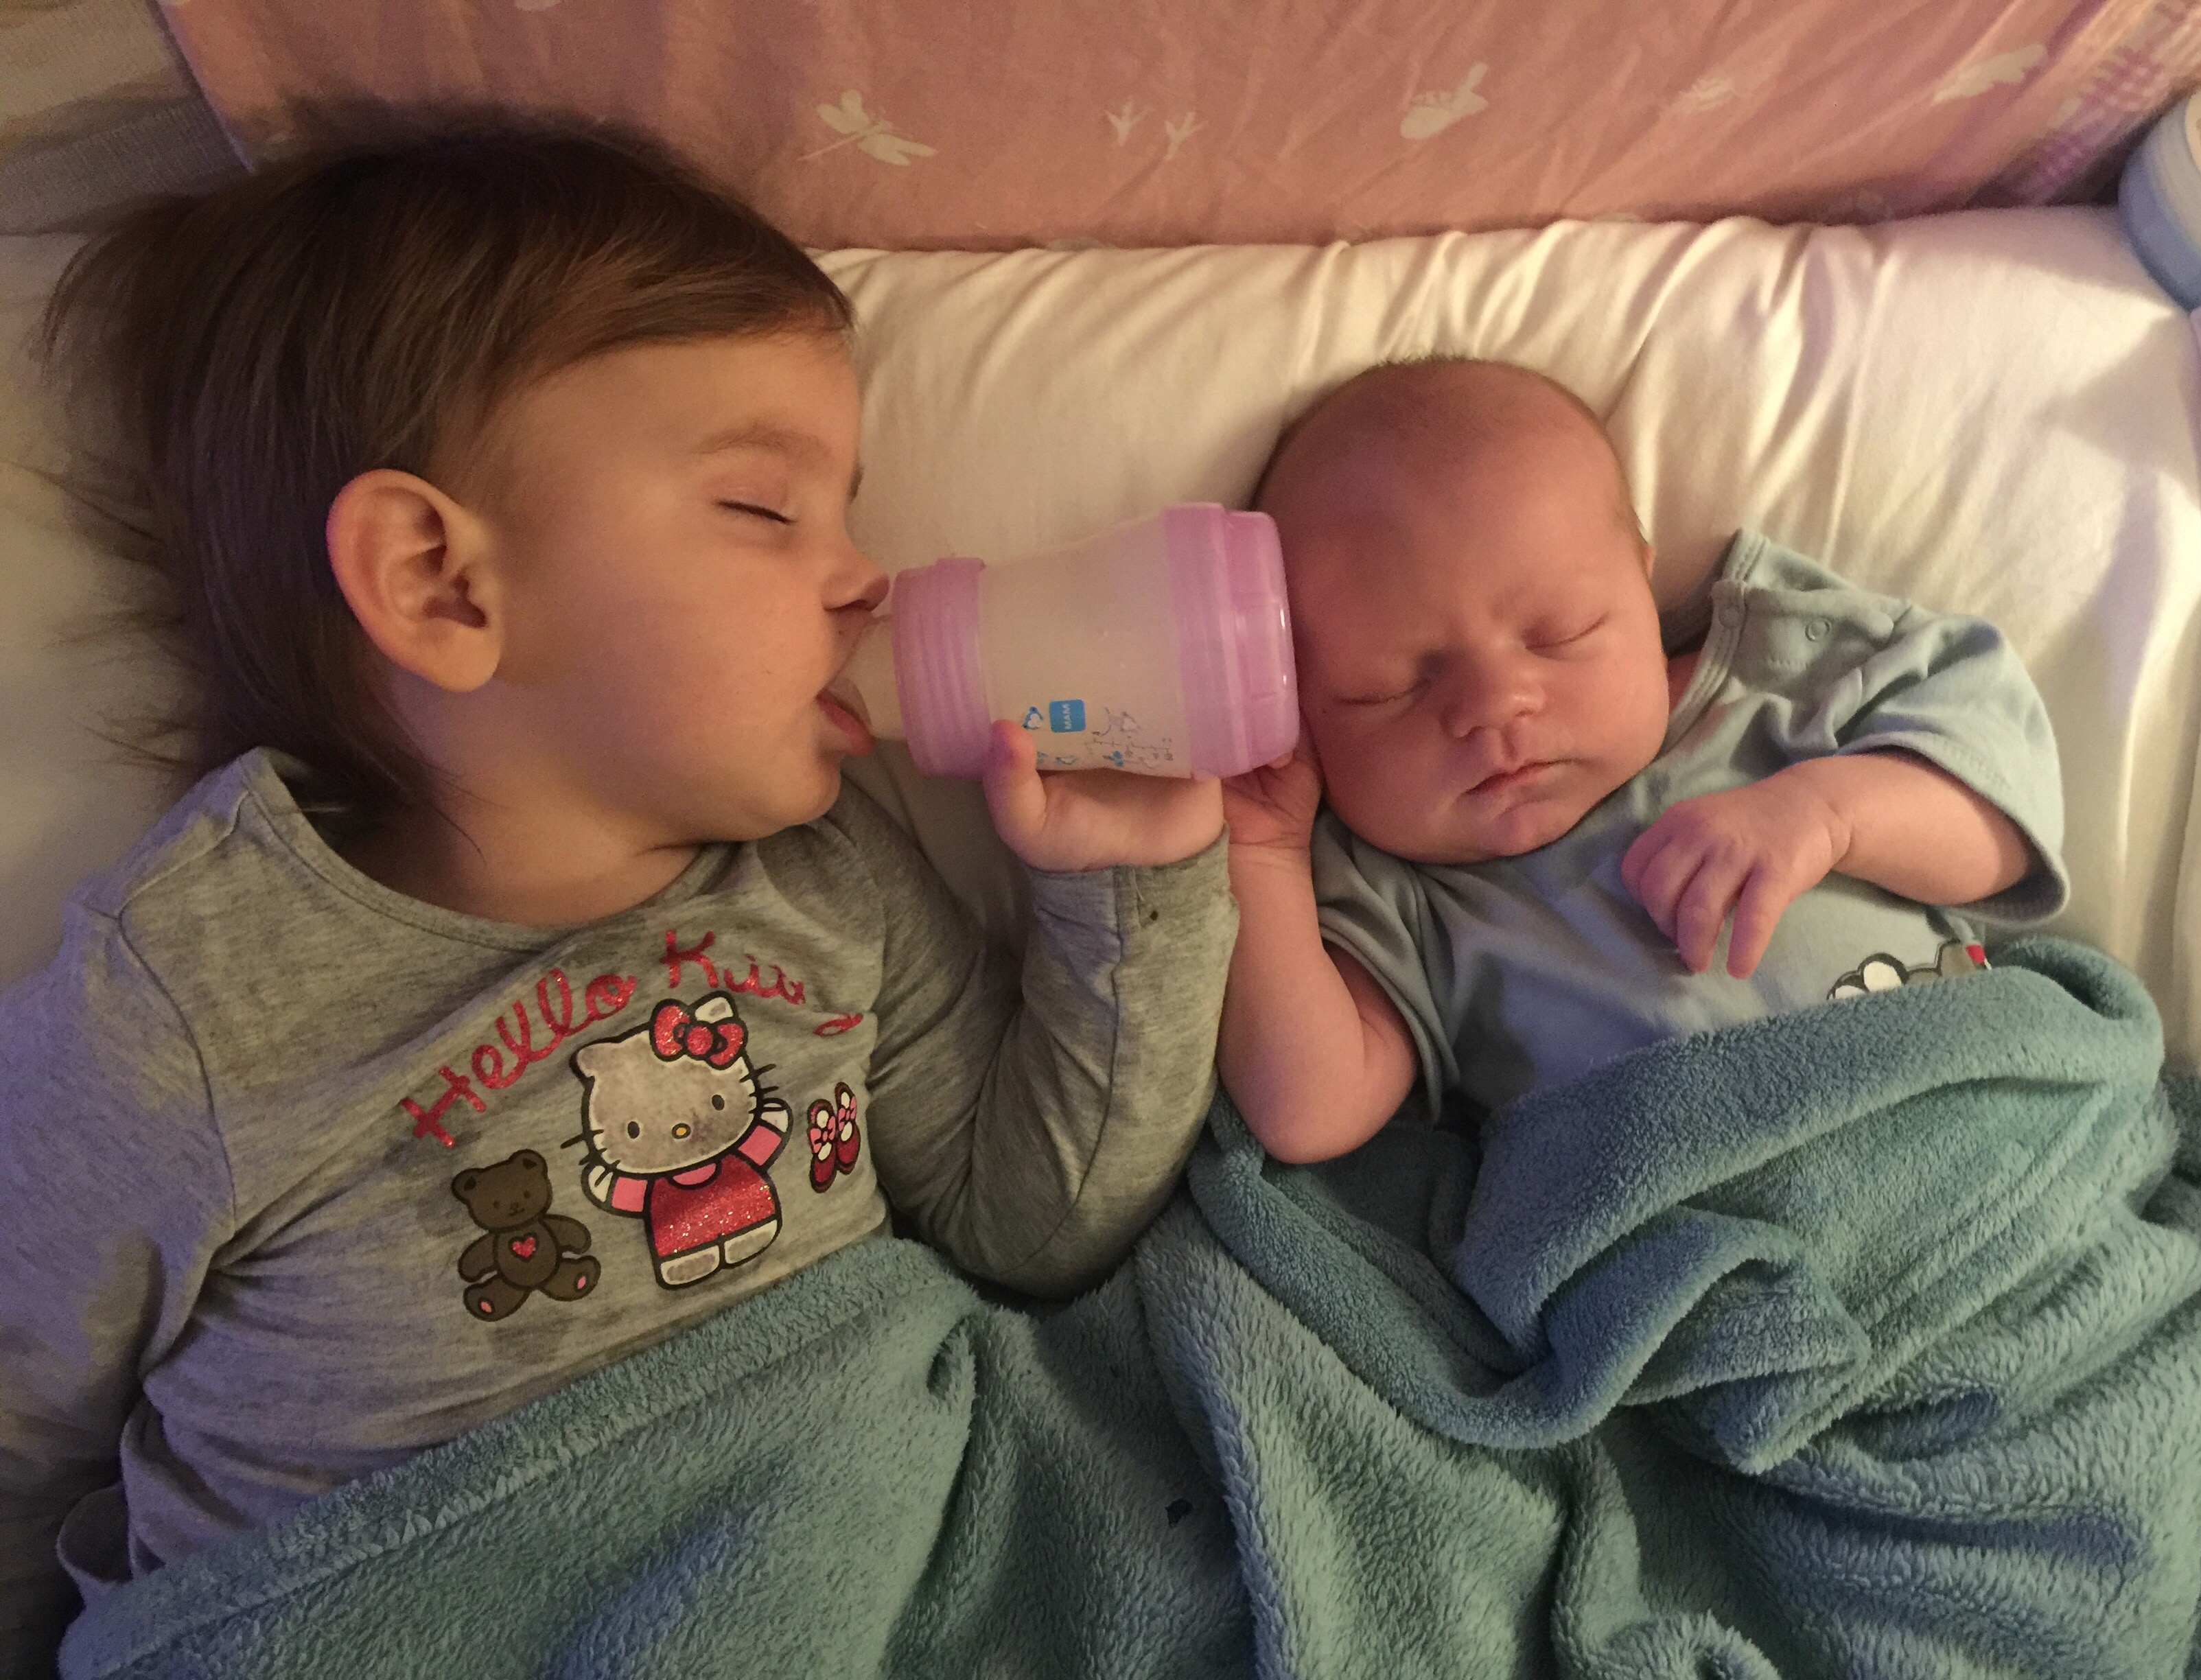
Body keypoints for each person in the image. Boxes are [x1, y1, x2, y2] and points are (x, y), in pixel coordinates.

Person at [0, 119, 1235, 1675]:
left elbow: (1030, 1226)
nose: (866, 576)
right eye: (766, 509)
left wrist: (1119, 888)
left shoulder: (827, 874)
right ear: (444, 583)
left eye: (848, 512)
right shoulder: (181, 1000)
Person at [1217, 358, 2067, 1163]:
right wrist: (1259, 851)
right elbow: (1306, 1111)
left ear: (1643, 586)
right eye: (1390, 688)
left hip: (1990, 1125)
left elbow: (2007, 830)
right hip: (1723, 1232)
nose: (1493, 705)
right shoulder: (1402, 895)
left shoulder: (1778, 677)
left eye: (1559, 634)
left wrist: (1831, 813)